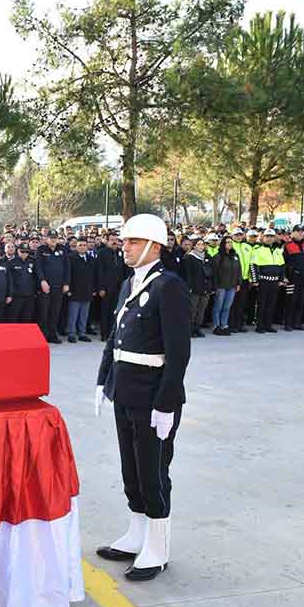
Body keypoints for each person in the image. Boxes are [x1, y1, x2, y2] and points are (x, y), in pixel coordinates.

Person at [95, 213, 191, 582]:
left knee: (153, 471)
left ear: (155, 246)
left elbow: (178, 352)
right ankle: (137, 534)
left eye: (133, 242)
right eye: (125, 241)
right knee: (130, 470)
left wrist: (166, 403)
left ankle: (157, 546)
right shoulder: (128, 284)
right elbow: (114, 336)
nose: (126, 247)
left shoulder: (170, 287)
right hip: (126, 389)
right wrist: (104, 380)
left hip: (153, 395)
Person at [35, 232, 69, 343]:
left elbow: (67, 267)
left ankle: (52, 335)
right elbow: (38, 267)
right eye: (51, 238)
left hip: (59, 287)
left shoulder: (63, 249)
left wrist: (66, 283)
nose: (54, 240)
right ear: (46, 239)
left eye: (55, 238)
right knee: (43, 313)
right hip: (46, 287)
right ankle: (43, 336)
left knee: (55, 312)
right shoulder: (41, 249)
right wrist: (42, 281)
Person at [250, 229, 285, 334]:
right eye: (267, 236)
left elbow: (282, 266)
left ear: (274, 238)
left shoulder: (277, 250)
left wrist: (281, 279)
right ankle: (260, 325)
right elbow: (253, 265)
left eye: (271, 236)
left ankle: (268, 325)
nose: (269, 238)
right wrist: (255, 280)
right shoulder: (257, 250)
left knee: (271, 304)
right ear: (263, 238)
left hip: (274, 282)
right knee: (262, 304)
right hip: (263, 281)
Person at [282, 226, 304, 331]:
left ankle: (297, 323)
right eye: (298, 231)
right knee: (291, 301)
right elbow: (284, 263)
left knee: (301, 300)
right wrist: (286, 275)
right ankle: (288, 324)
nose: (300, 233)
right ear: (293, 233)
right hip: (293, 277)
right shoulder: (287, 246)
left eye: (302, 231)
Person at [96, 234, 127, 341]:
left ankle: (112, 333)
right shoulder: (102, 253)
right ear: (107, 241)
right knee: (105, 311)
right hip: (106, 287)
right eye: (112, 240)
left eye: (115, 240)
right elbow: (99, 271)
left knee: (115, 310)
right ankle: (104, 334)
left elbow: (123, 269)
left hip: (118, 287)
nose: (114, 242)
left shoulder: (120, 252)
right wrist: (101, 288)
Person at [66, 239, 97, 342]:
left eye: (84, 245)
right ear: (76, 246)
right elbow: (68, 274)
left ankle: (82, 333)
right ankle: (71, 334)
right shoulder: (70, 258)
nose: (82, 247)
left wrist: (94, 289)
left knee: (84, 315)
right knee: (73, 314)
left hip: (87, 290)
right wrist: (69, 288)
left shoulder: (91, 259)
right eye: (80, 245)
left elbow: (94, 276)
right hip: (74, 290)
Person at [182, 239, 213, 338]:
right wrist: (189, 287)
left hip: (205, 288)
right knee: (192, 309)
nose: (201, 246)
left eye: (202, 244)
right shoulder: (189, 257)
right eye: (198, 244)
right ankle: (190, 329)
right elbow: (187, 274)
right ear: (194, 246)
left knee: (201, 309)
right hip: (194, 288)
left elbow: (211, 273)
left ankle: (197, 328)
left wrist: (210, 287)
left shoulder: (207, 257)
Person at [210, 237, 241, 336]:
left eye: (231, 242)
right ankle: (216, 326)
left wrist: (238, 283)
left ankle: (224, 325)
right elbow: (214, 273)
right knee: (218, 307)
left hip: (232, 286)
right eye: (227, 242)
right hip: (221, 286)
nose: (229, 244)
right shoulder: (218, 256)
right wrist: (215, 287)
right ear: (223, 244)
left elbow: (239, 270)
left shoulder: (235, 256)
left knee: (227, 307)